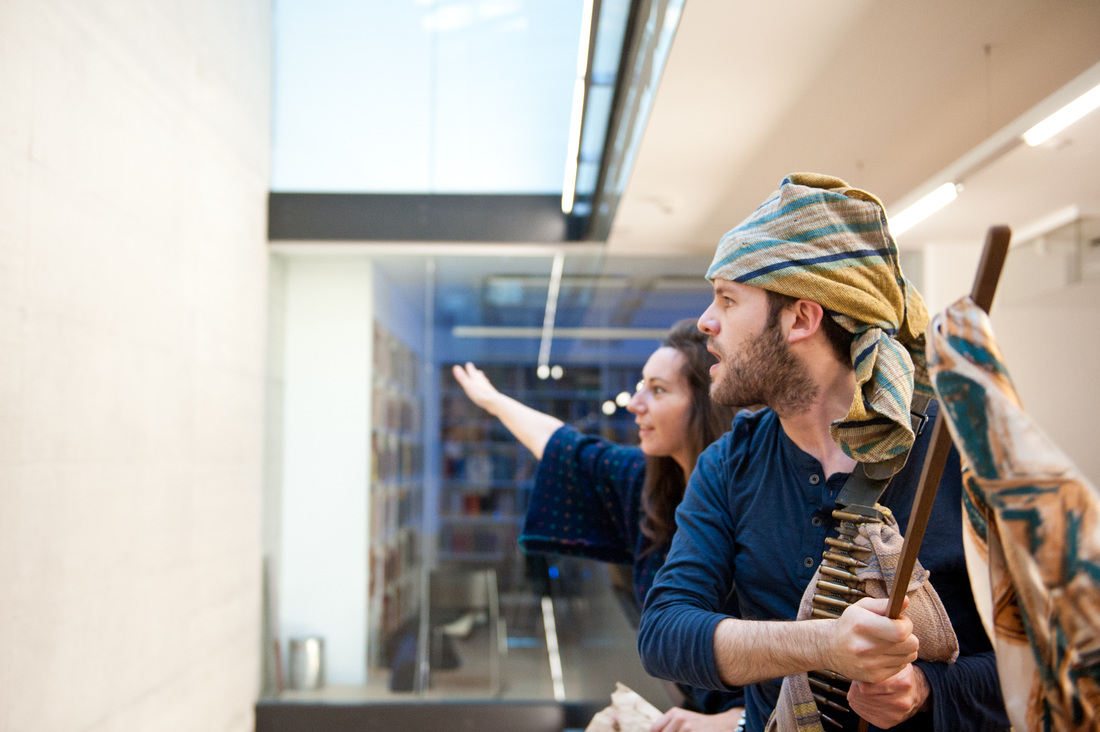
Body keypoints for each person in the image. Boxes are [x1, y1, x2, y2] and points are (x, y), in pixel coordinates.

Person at [637, 173, 1010, 732]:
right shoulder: (729, 465)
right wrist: (822, 643)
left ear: (801, 318)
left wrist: (930, 689)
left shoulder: (963, 451)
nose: (706, 323)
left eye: (727, 299)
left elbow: (1056, 654)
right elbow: (665, 633)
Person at [453, 318, 745, 731]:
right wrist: (493, 402)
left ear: (704, 404)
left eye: (657, 390)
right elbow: (565, 447)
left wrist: (739, 719)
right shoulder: (646, 484)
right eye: (641, 385)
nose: (634, 402)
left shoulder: (753, 498)